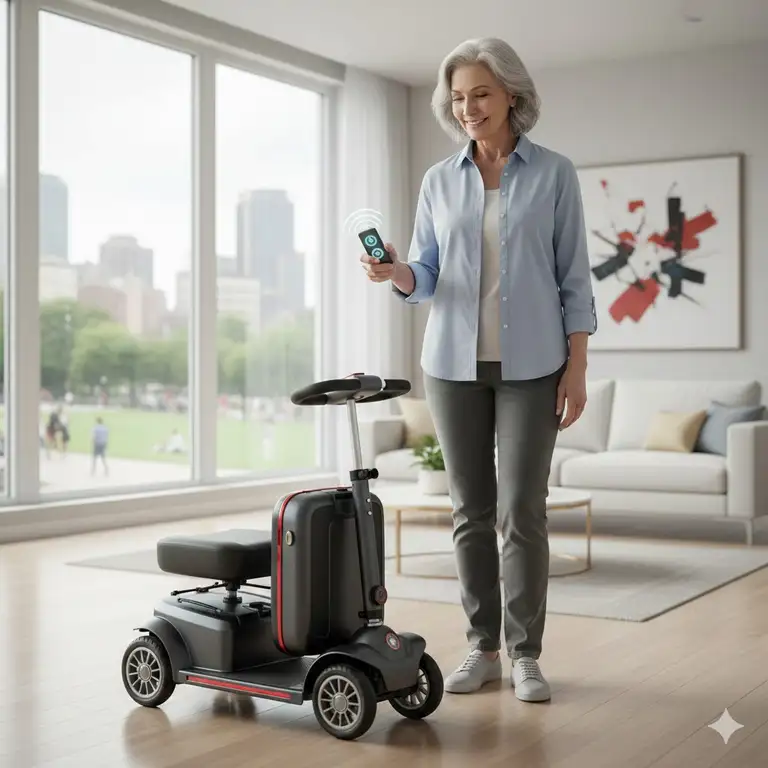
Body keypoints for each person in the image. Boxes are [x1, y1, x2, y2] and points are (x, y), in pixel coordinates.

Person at [360, 37, 596, 702]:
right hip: (452, 367)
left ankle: (526, 654)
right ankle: (481, 646)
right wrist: (395, 272)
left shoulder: (554, 174)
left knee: (523, 510)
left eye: (481, 94)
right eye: (459, 97)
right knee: (470, 511)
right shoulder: (440, 180)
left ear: (511, 96)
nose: (468, 107)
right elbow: (427, 275)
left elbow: (574, 278)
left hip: (534, 367)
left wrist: (576, 368)